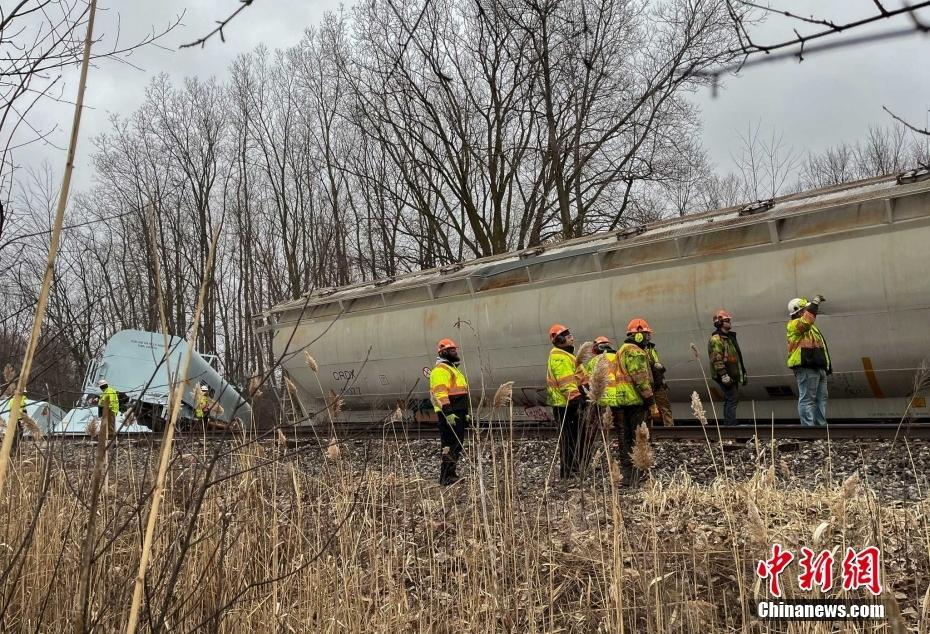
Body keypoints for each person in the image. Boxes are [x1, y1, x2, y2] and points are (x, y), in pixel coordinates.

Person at [615, 320, 661, 484]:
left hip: (622, 401)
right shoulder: (635, 352)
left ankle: (628, 476)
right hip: (635, 401)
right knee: (639, 438)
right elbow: (641, 379)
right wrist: (651, 402)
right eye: (647, 334)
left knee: (626, 438)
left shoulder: (621, 350)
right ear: (639, 334)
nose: (648, 338)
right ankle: (638, 474)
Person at [429, 338, 470, 485]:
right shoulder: (441, 370)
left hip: (457, 412)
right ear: (444, 352)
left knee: (456, 444)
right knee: (449, 445)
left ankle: (451, 474)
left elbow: (460, 392)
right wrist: (448, 411)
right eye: (452, 350)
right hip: (449, 413)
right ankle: (446, 477)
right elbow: (440, 393)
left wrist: (465, 412)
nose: (455, 352)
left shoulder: (452, 368)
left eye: (455, 349)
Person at [787, 295, 831, 427]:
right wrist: (815, 303)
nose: (808, 311)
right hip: (806, 366)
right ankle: (808, 429)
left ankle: (820, 427)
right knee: (807, 399)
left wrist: (826, 366)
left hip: (817, 367)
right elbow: (806, 322)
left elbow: (821, 347)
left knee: (821, 399)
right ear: (799, 312)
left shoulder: (811, 328)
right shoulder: (794, 325)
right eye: (805, 309)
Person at [547, 324, 583, 479]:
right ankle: (568, 473)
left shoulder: (566, 355)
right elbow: (566, 383)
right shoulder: (560, 358)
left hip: (567, 404)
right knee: (568, 441)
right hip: (565, 405)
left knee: (571, 440)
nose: (572, 338)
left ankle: (572, 471)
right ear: (560, 339)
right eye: (568, 336)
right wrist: (577, 399)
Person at [707, 310, 748, 426]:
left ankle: (728, 424)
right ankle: (731, 424)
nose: (730, 322)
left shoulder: (728, 338)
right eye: (726, 321)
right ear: (719, 323)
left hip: (731, 374)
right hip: (724, 374)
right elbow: (716, 359)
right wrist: (724, 375)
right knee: (732, 398)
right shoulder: (716, 339)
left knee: (730, 398)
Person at [638, 320, 673, 426]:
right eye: (646, 333)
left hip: (657, 382)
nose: (649, 335)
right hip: (647, 384)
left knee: (665, 407)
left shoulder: (651, 348)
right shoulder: (636, 349)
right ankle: (647, 432)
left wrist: (660, 368)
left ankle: (670, 429)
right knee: (648, 410)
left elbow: (655, 365)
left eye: (649, 333)